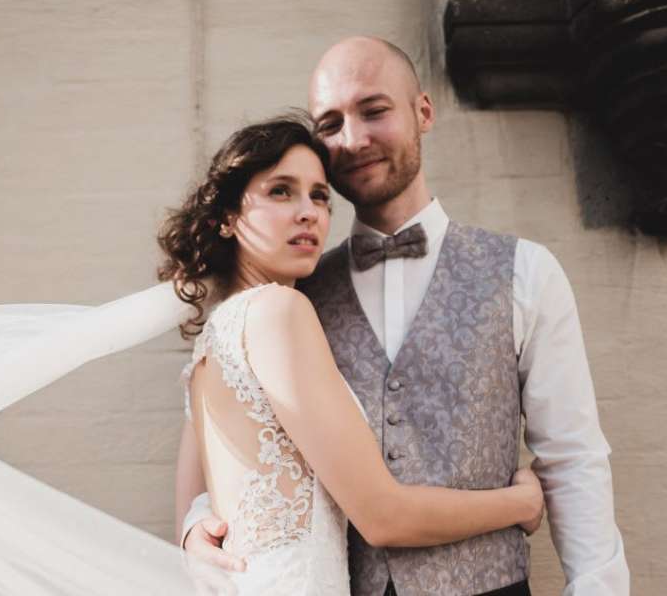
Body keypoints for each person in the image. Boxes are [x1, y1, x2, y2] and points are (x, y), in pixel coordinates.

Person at [178, 37, 630, 596]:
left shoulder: (524, 272)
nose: (354, 140)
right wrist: (196, 526)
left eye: (374, 111)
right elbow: (233, 438)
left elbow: (573, 457)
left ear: (423, 112)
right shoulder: (292, 291)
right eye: (331, 124)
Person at [158, 116, 544, 596]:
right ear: (228, 217)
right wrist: (520, 503)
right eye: (281, 191)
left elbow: (193, 509)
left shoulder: (211, 342)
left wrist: (193, 531)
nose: (309, 213)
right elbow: (382, 516)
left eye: (320, 196)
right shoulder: (279, 311)